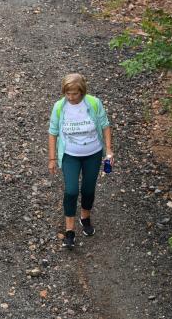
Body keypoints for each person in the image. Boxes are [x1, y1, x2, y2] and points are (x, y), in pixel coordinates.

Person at [48, 73, 113, 249]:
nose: (71, 97)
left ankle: (85, 217)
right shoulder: (60, 107)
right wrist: (52, 158)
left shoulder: (93, 103)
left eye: (75, 94)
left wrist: (109, 151)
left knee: (88, 189)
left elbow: (105, 126)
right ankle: (69, 231)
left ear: (82, 92)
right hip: (70, 155)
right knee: (71, 191)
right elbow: (53, 132)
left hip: (93, 153)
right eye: (68, 93)